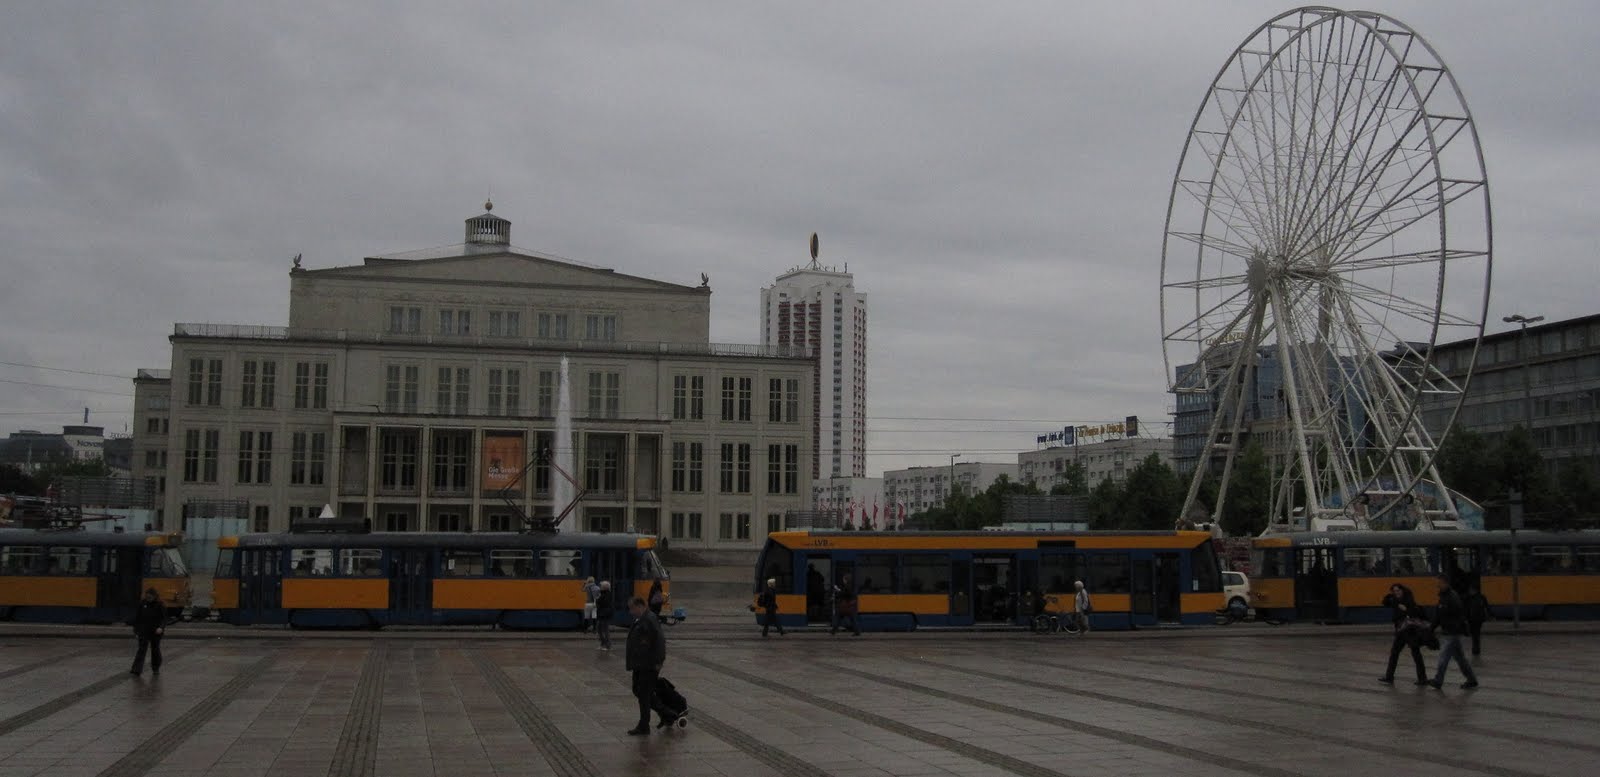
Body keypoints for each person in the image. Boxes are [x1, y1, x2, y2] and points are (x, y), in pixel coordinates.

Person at [625, 596, 667, 736]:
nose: (631, 612)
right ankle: (666, 714)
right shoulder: (642, 618)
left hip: (649, 664)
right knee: (638, 690)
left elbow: (660, 641)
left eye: (632, 608)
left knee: (643, 694)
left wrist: (659, 662)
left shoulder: (649, 619)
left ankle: (644, 726)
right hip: (640, 663)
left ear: (640, 606)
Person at [1429, 575, 1479, 689]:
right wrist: (1432, 628)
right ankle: (1471, 679)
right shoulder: (1444, 596)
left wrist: (1457, 627)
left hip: (1452, 632)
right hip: (1451, 631)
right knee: (1460, 659)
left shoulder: (1452, 597)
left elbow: (1459, 614)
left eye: (1439, 583)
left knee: (1443, 657)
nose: (1438, 585)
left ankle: (1438, 680)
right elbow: (1439, 615)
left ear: (1446, 583)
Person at [1379, 583, 1429, 686]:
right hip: (1401, 631)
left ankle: (1422, 678)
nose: (1397, 593)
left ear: (1403, 590)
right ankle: (1389, 676)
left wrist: (1406, 609)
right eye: (1395, 591)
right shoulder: (1396, 601)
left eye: (1398, 591)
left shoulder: (1409, 600)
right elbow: (1384, 602)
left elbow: (1415, 612)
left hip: (1409, 631)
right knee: (1394, 653)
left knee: (1415, 653)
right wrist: (1392, 597)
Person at [130, 588, 165, 676]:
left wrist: (161, 627)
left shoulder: (160, 605)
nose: (148, 598)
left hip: (155, 631)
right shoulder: (142, 603)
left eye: (150, 597)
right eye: (147, 597)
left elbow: (164, 618)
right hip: (143, 630)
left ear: (154, 596)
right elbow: (137, 618)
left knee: (155, 649)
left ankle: (155, 667)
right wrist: (136, 631)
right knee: (141, 649)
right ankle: (136, 669)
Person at [1465, 585, 1490, 657]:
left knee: (1475, 634)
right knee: (1475, 635)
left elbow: (1486, 606)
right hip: (1473, 619)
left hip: (1477, 619)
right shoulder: (1471, 598)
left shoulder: (1479, 597)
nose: (1470, 592)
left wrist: (1489, 614)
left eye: (1471, 590)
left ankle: (1475, 649)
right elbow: (1467, 609)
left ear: (1474, 590)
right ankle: (1476, 649)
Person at [594, 581, 614, 651]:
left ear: (605, 587)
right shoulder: (602, 594)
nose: (600, 587)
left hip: (605, 614)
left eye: (601, 586)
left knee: (605, 630)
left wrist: (598, 600)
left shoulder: (608, 594)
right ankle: (603, 644)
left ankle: (607, 645)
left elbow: (603, 603)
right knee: (599, 629)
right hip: (601, 614)